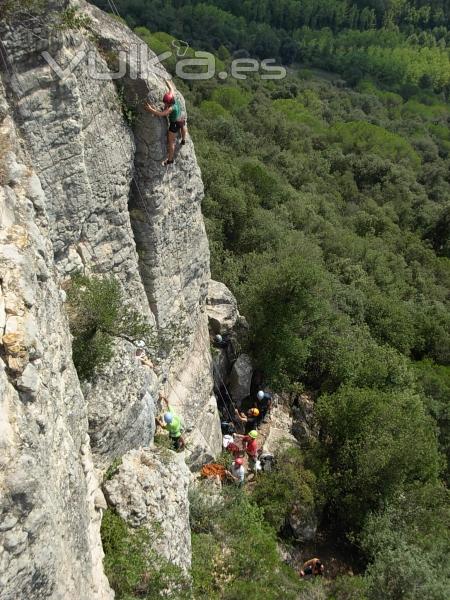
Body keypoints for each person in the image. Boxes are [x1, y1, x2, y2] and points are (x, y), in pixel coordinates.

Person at [144, 79, 187, 166]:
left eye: (166, 104)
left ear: (170, 103)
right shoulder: (173, 97)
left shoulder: (171, 108)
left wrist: (150, 109)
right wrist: (167, 81)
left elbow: (161, 114)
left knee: (171, 142)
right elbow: (171, 89)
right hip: (181, 117)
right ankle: (183, 139)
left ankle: (170, 160)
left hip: (174, 124)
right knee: (183, 126)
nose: (165, 105)